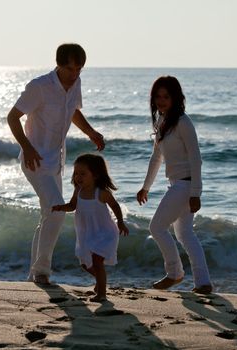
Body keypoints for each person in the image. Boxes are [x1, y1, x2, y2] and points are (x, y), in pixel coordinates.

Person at [7, 44, 105, 285]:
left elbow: (72, 111)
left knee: (49, 215)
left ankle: (33, 273)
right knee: (57, 212)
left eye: (79, 69)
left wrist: (90, 132)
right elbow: (12, 117)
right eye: (70, 68)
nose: (74, 74)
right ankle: (42, 272)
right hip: (35, 161)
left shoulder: (75, 85)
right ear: (58, 65)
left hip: (56, 163)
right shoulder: (39, 87)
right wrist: (27, 147)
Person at [136, 76, 213, 294]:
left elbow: (196, 159)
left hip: (185, 186)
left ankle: (174, 273)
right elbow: (156, 158)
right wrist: (146, 187)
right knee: (185, 235)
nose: (161, 101)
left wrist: (196, 193)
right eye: (157, 96)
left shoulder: (183, 122)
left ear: (175, 98)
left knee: (156, 227)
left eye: (166, 97)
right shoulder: (163, 121)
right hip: (177, 185)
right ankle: (203, 283)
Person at [53, 154, 129, 302]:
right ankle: (101, 282)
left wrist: (120, 222)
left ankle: (101, 294)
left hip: (105, 232)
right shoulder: (78, 191)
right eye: (76, 173)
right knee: (84, 263)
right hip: (87, 233)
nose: (78, 177)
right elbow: (72, 206)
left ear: (95, 175)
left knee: (96, 261)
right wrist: (61, 207)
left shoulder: (101, 193)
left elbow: (115, 206)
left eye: (83, 173)